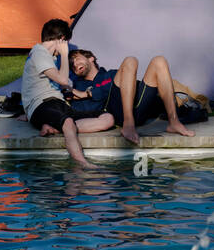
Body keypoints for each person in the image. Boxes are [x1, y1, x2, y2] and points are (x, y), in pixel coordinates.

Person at [22, 19, 114, 167]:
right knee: (68, 122)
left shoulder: (49, 57)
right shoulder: (39, 53)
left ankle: (57, 127)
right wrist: (64, 55)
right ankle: (82, 164)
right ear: (62, 40)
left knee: (107, 118)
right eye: (66, 43)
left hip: (58, 104)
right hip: (43, 105)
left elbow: (57, 83)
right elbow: (63, 79)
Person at [68, 49, 195, 145]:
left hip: (138, 110)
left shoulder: (112, 74)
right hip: (116, 114)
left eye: (77, 59)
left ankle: (174, 121)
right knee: (130, 61)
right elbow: (87, 110)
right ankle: (128, 123)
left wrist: (89, 94)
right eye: (72, 65)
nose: (75, 64)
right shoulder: (78, 86)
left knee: (159, 61)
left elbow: (132, 87)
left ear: (90, 58)